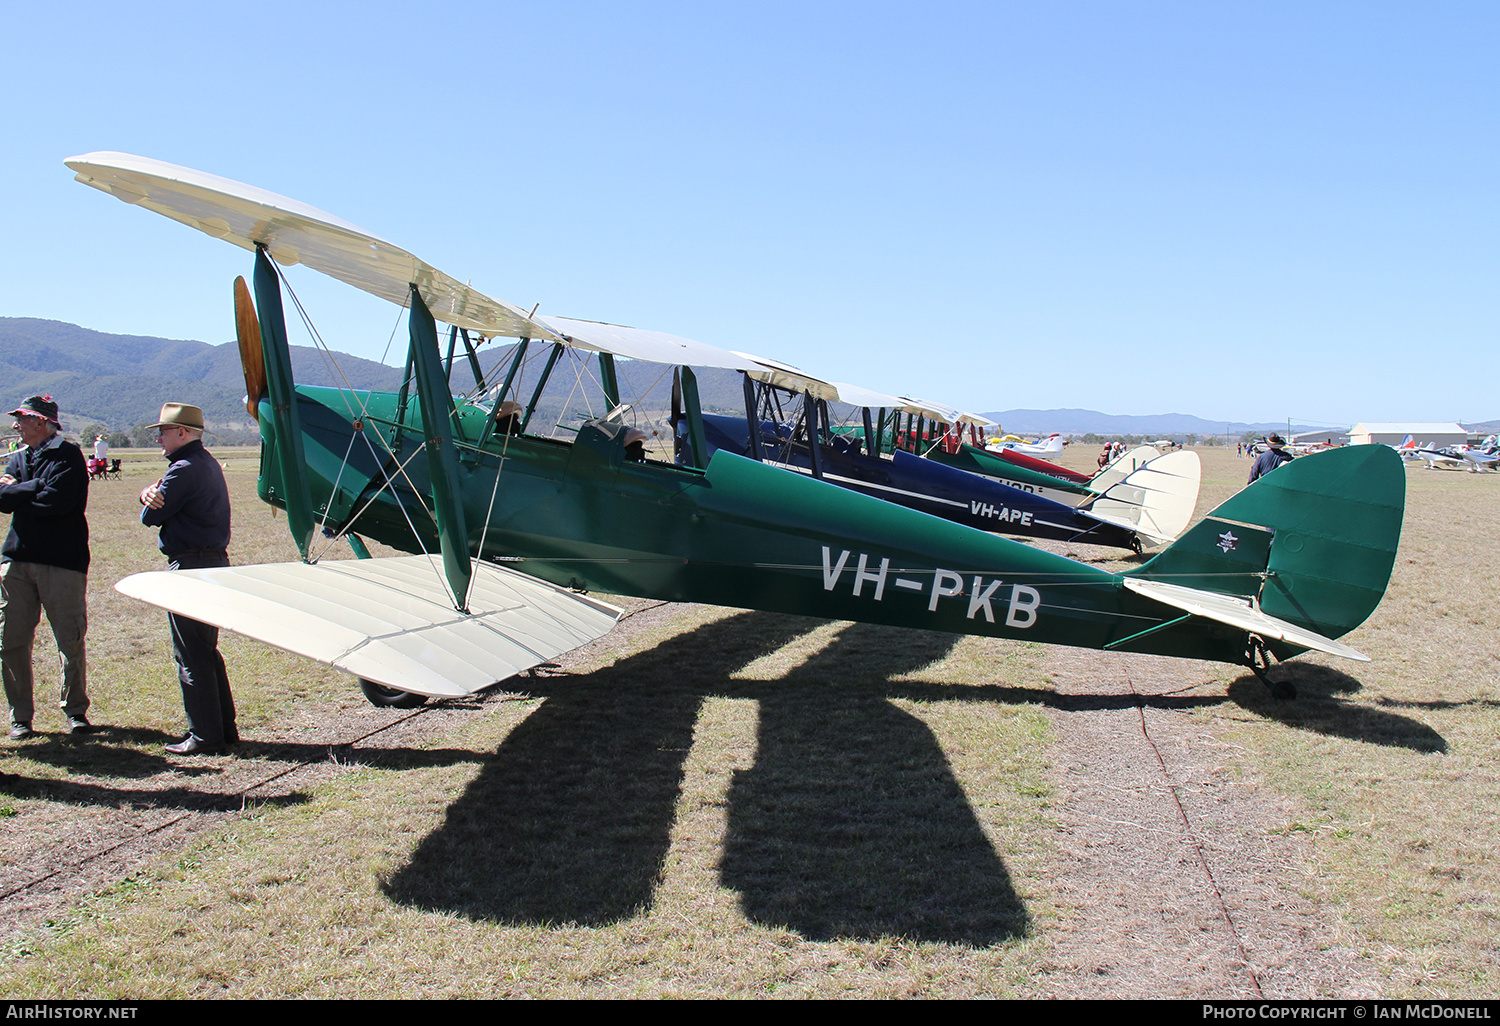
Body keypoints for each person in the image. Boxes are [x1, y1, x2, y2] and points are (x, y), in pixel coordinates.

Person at [139, 403, 235, 756]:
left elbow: (150, 516)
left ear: (182, 432)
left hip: (190, 568)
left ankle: (205, 736)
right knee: (206, 652)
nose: (159, 439)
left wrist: (145, 496)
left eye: (163, 432)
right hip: (212, 564)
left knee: (190, 656)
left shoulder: (182, 469)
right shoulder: (206, 464)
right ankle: (223, 728)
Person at [0, 396, 91, 740]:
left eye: (21, 420)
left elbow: (58, 502)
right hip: (17, 561)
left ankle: (75, 710)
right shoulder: (19, 457)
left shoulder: (68, 456)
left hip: (62, 562)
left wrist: (19, 492)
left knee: (69, 639)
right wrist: (35, 487)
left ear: (41, 422)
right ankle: (20, 716)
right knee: (11, 640)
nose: (15, 426)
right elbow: (2, 499)